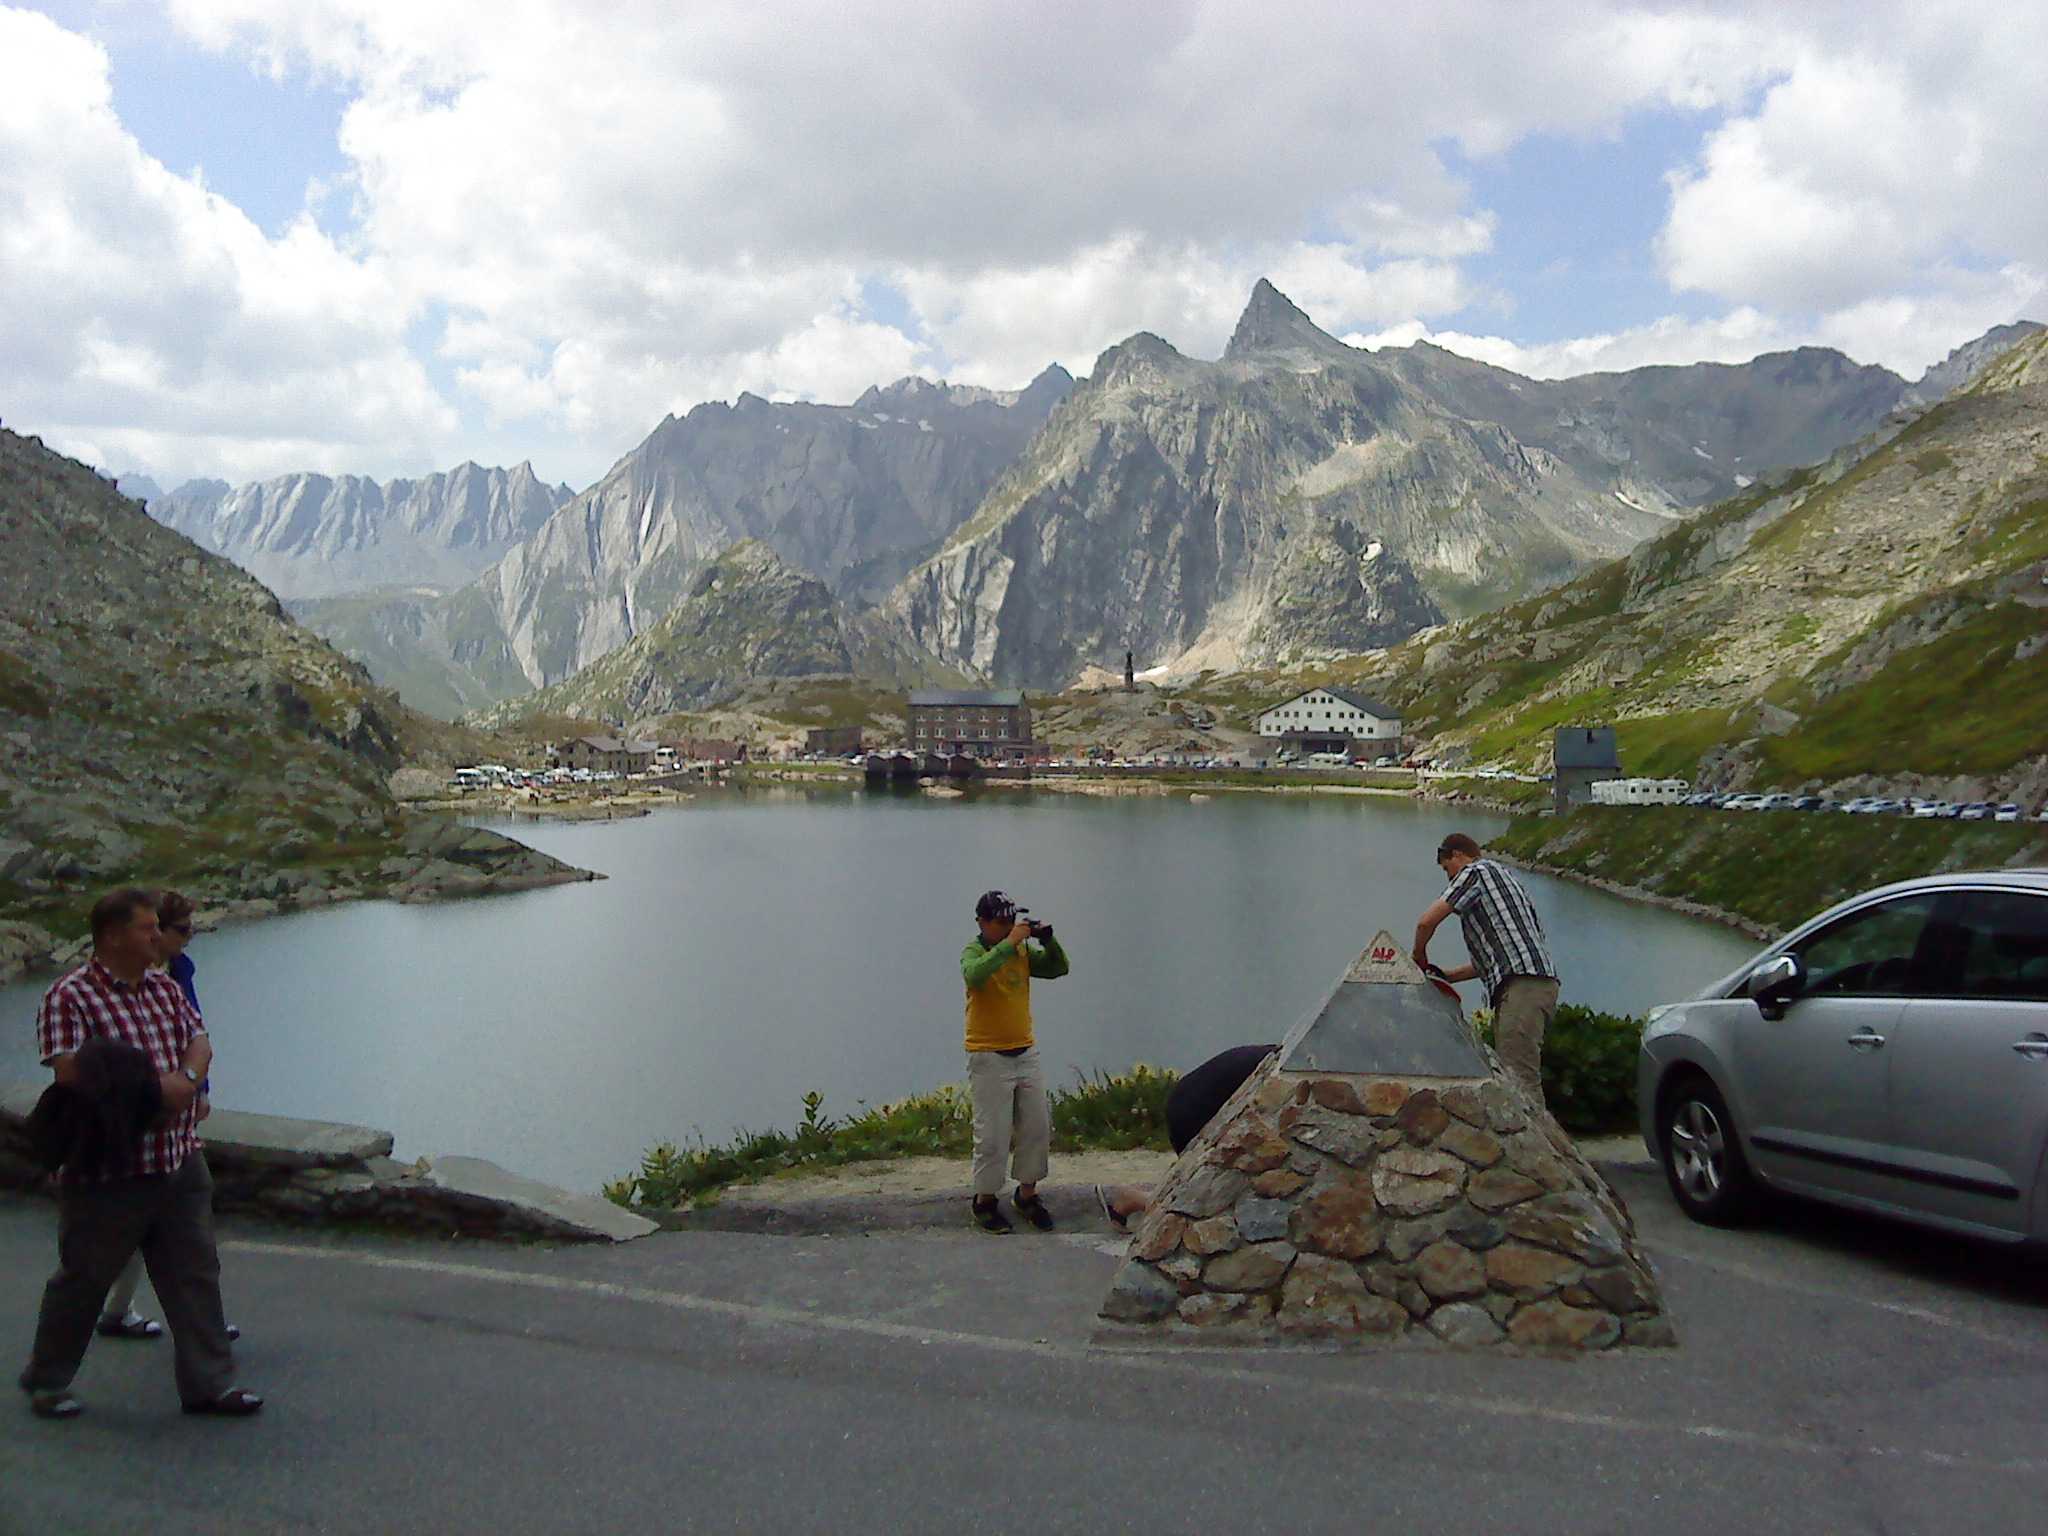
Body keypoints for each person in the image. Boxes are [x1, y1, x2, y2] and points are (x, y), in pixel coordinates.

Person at [16, 888, 261, 1420]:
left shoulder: (164, 988)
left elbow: (200, 1042)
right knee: (84, 1280)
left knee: (195, 1276)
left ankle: (210, 1385)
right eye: (147, 928)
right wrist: (160, 1092)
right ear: (112, 936)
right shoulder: (69, 997)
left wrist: (186, 1082)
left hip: (178, 1158)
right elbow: (73, 1073)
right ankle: (47, 1380)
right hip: (109, 1171)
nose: (158, 936)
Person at [95, 891, 239, 1346]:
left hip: (177, 1124)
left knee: (185, 1233)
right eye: (180, 930)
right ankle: (104, 1316)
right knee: (136, 1232)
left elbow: (196, 1036)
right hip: (132, 1130)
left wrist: (197, 1089)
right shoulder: (109, 986)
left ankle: (190, 1324)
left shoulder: (176, 975)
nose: (185, 938)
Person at [1413, 832, 1559, 1109]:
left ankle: (1536, 1136)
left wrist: (1418, 956)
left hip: (1521, 986)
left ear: (1457, 855)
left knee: (1519, 1078)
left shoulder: (1475, 872)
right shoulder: (1508, 879)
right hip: (1537, 982)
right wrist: (1447, 976)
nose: (1449, 877)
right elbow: (1495, 960)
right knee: (1515, 1071)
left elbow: (1426, 922)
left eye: (1446, 868)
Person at [960, 890, 1069, 1234]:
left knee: (1036, 1127)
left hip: (1025, 1050)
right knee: (992, 1136)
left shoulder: (1020, 951)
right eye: (1001, 922)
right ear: (982, 922)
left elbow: (1058, 968)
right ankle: (985, 1201)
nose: (1009, 927)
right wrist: (1010, 943)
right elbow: (974, 975)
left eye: (1012, 920)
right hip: (988, 1055)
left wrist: (1048, 940)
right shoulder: (974, 951)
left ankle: (1027, 1194)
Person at [1094, 1042, 1278, 1232]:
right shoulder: (1281, 1070)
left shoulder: (1282, 1059)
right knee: (1203, 1202)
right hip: (1191, 1111)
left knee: (1213, 1192)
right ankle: (1136, 1200)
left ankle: (1139, 1199)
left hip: (1194, 1099)